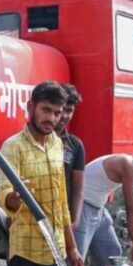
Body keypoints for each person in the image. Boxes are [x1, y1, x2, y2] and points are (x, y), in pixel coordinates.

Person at [0, 80, 84, 266]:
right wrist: (15, 197)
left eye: (57, 113)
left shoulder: (57, 144)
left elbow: (61, 203)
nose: (52, 118)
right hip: (27, 251)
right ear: (31, 107)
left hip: (55, 249)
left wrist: (72, 248)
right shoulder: (13, 146)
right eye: (46, 110)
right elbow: (4, 196)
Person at [74, 141, 133, 266]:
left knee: (113, 256)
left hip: (98, 209)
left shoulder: (127, 162)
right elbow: (131, 208)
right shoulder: (128, 165)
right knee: (75, 263)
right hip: (83, 208)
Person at [58, 83, 87, 227]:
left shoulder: (75, 145)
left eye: (69, 111)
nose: (64, 116)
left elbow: (78, 189)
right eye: (61, 110)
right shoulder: (34, 141)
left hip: (63, 220)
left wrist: (74, 221)